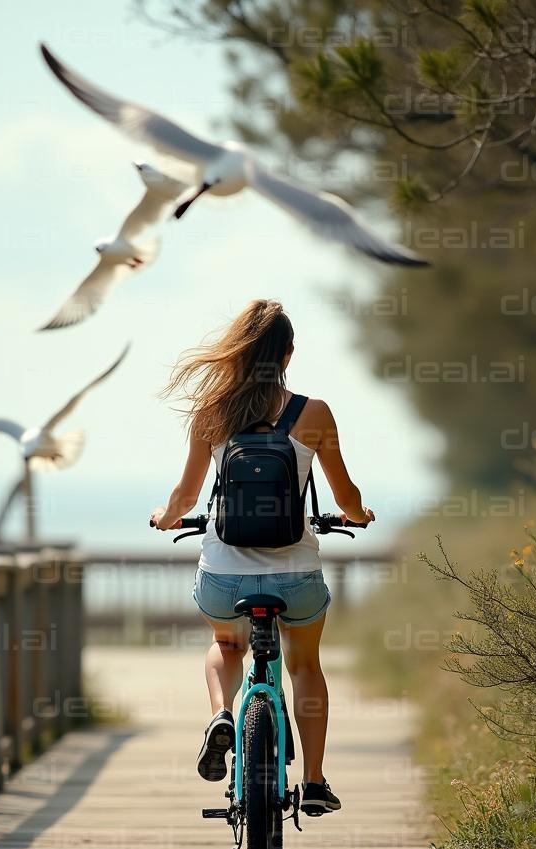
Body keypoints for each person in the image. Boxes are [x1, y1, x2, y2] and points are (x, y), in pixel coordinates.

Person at [150, 299, 375, 816]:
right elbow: (344, 497)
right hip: (296, 577)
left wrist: (166, 516)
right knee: (304, 664)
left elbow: (186, 497)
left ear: (237, 352)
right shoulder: (313, 414)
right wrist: (359, 514)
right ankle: (314, 781)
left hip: (225, 579)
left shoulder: (212, 413)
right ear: (289, 354)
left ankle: (221, 715)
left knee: (226, 644)